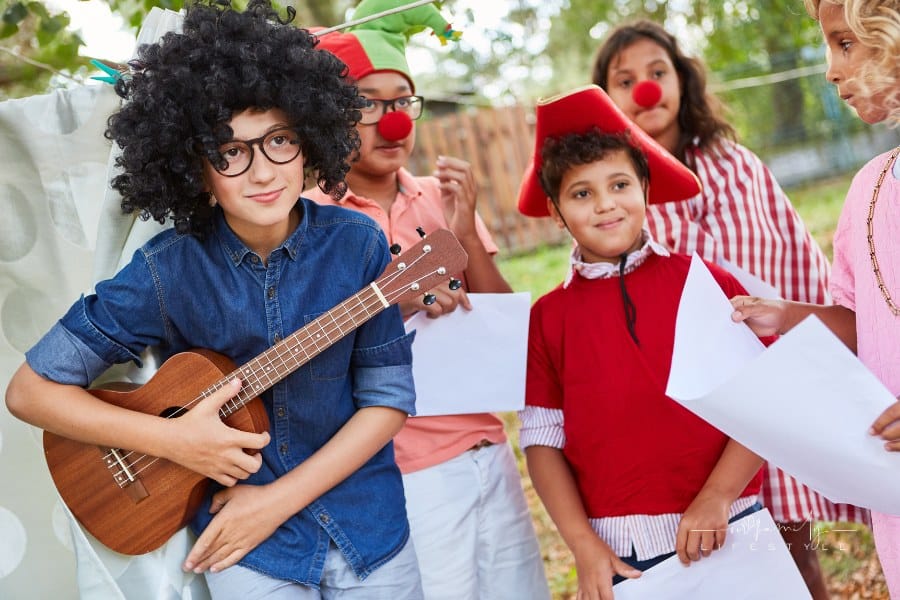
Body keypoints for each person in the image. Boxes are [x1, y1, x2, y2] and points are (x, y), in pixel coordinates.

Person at [4, 1, 425, 598]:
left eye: (278, 139)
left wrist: (273, 503)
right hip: (245, 551)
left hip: (366, 525)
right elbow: (29, 392)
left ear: (308, 141)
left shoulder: (358, 244)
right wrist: (174, 441)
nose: (260, 172)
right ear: (195, 170)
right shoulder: (166, 270)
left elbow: (387, 400)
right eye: (229, 152)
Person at [591, 19, 869, 598]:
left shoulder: (737, 165)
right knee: (710, 565)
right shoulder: (618, 195)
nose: (646, 89)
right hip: (691, 409)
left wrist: (818, 348)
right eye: (626, 79)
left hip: (770, 388)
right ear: (606, 97)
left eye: (658, 72)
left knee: (792, 553)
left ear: (683, 80)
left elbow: (795, 257)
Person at [307, 2, 550, 598]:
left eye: (403, 101)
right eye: (369, 103)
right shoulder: (311, 219)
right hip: (403, 471)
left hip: (488, 449)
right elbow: (308, 350)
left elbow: (503, 332)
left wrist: (466, 231)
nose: (393, 121)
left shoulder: (436, 197)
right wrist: (398, 302)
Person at [516, 84, 765, 600]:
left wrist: (719, 495)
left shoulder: (709, 284)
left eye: (620, 185)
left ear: (646, 188)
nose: (605, 205)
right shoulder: (547, 319)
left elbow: (765, 401)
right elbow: (542, 441)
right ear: (557, 213)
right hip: (623, 554)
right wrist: (583, 545)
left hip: (732, 524)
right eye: (582, 193)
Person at [732, 0, 900, 595]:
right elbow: (868, 324)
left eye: (845, 44)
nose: (830, 69)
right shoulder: (868, 192)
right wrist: (787, 315)